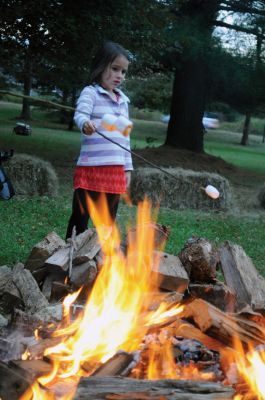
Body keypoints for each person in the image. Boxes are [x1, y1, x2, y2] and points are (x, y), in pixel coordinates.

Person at [66, 41, 133, 239]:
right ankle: (70, 252)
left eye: (124, 71)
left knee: (107, 220)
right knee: (81, 215)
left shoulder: (123, 101)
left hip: (115, 170)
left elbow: (125, 138)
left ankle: (102, 258)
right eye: (115, 69)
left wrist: (127, 167)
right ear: (100, 66)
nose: (120, 75)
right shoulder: (91, 93)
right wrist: (85, 123)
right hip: (91, 168)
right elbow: (80, 114)